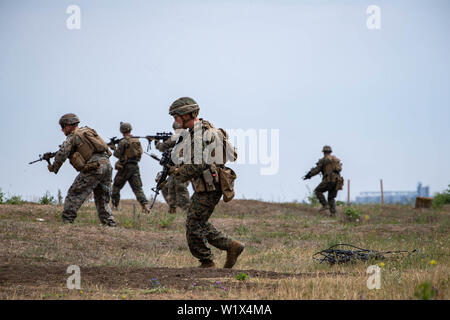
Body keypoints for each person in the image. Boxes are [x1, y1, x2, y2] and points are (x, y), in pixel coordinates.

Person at [170, 97, 244, 269]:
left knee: (193, 224)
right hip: (208, 183)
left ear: (186, 114)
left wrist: (179, 174)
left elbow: (198, 164)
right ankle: (232, 246)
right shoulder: (200, 130)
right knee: (198, 221)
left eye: (176, 116)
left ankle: (207, 262)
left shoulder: (200, 133)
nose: (175, 120)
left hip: (210, 184)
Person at [47, 113, 116, 226]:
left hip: (94, 167)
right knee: (102, 197)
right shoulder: (87, 131)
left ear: (69, 125)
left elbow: (62, 153)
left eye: (63, 126)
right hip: (107, 165)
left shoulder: (72, 137)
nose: (62, 130)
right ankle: (109, 224)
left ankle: (67, 221)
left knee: (75, 193)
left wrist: (54, 167)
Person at [110, 122, 149, 213]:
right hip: (135, 166)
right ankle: (145, 206)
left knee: (116, 186)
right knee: (137, 188)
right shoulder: (136, 140)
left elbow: (118, 154)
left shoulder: (123, 141)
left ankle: (114, 206)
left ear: (122, 131)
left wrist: (113, 148)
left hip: (125, 167)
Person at [155, 121, 190, 214]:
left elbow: (163, 146)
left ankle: (186, 210)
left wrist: (156, 142)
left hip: (180, 167)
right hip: (182, 167)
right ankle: (173, 208)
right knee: (170, 187)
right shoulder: (188, 136)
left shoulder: (178, 137)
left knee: (179, 188)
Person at [303, 145, 344, 216]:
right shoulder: (335, 159)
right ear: (330, 152)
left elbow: (317, 170)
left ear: (324, 152)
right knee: (331, 197)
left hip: (329, 180)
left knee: (317, 191)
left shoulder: (324, 160)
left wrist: (309, 175)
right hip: (337, 180)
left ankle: (325, 205)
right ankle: (333, 214)